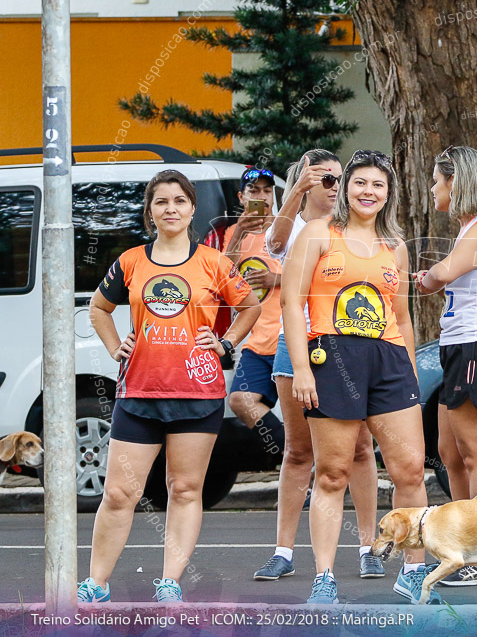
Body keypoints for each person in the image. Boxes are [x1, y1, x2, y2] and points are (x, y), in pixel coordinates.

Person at [77, 170, 261, 602]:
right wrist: (113, 346)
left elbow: (250, 306)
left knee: (184, 488)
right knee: (120, 492)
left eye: (179, 201)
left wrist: (225, 343)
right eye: (161, 202)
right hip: (139, 391)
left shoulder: (215, 263)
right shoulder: (131, 261)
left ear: (192, 208)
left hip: (198, 393)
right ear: (151, 212)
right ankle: (95, 584)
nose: (171, 209)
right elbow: (98, 308)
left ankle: (170, 583)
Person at [282, 149, 438, 605]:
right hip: (332, 357)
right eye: (360, 183)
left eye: (378, 186)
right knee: (332, 472)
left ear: (389, 195)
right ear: (346, 188)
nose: (369, 192)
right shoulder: (317, 233)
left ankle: (414, 570)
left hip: (388, 362)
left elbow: (403, 318)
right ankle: (325, 578)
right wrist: (302, 368)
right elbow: (292, 303)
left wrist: (409, 369)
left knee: (410, 470)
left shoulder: (397, 246)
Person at [253, 151, 382, 582]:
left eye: (337, 180)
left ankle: (369, 547)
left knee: (360, 449)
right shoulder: (295, 228)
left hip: (348, 345)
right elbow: (272, 242)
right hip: (296, 347)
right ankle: (283, 552)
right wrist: (296, 192)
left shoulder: (351, 225)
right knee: (298, 452)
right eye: (324, 181)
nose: (334, 188)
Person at [413, 145, 477, 588]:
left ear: (457, 183)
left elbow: (440, 276)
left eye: (438, 180)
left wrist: (425, 276)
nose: (433, 188)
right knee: (449, 452)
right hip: (459, 346)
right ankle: (465, 547)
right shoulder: (469, 229)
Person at [223, 167, 286, 454]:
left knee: (305, 411)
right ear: (241, 197)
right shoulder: (232, 233)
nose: (261, 196)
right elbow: (221, 278)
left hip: (291, 337)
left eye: (266, 190)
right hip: (256, 341)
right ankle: (293, 453)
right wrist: (238, 235)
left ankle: (308, 466)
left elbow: (316, 276)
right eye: (254, 191)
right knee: (240, 400)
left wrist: (277, 279)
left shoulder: (288, 228)